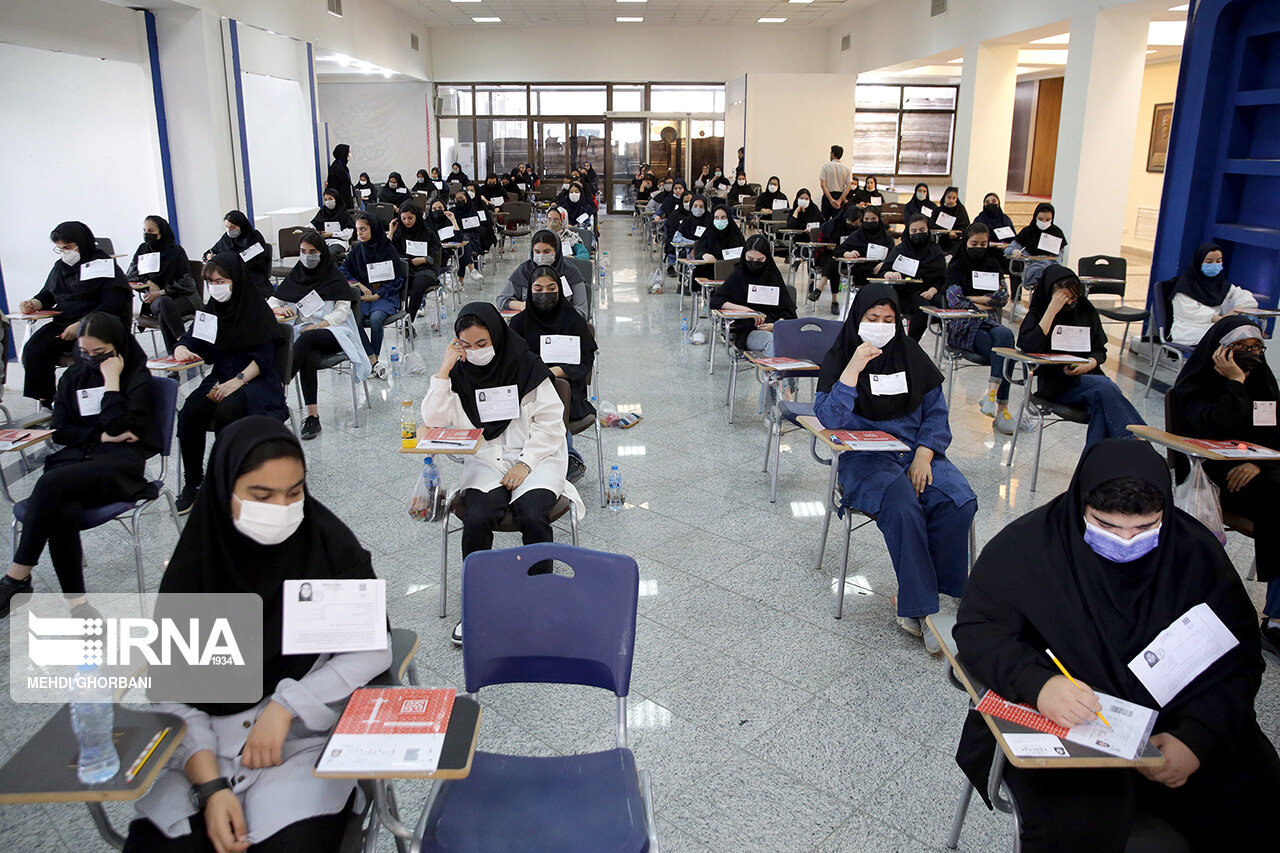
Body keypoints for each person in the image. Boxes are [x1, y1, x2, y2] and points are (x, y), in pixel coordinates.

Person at [954, 439, 1280, 853]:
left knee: (1256, 794)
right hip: (1071, 722)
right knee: (1079, 824)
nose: (1126, 542)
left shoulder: (1196, 556)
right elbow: (980, 627)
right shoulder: (1028, 548)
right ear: (1080, 508)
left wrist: (1200, 736)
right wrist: (1039, 684)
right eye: (1106, 526)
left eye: (1144, 528)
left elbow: (1239, 660)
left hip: (1178, 717)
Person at [124, 418, 392, 853]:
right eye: (261, 496)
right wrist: (210, 786)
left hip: (299, 747)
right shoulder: (196, 571)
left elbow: (370, 647)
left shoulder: (324, 545)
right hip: (205, 754)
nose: (282, 510)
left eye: (294, 493)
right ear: (223, 489)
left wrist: (286, 705)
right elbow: (174, 696)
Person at [814, 284, 977, 652]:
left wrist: (925, 453)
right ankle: (919, 609)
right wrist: (854, 368)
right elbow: (828, 418)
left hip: (916, 453)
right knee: (903, 505)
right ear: (858, 318)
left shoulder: (912, 355)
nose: (881, 325)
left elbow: (936, 414)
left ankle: (937, 591)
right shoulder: (840, 356)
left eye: (889, 320)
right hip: (865, 459)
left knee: (957, 500)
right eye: (872, 318)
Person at [422, 303, 584, 646]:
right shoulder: (459, 374)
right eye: (466, 345)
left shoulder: (526, 366)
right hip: (486, 460)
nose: (476, 352)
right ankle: (478, 604)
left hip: (537, 459)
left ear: (496, 335)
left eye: (482, 344)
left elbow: (552, 425)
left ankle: (541, 601)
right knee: (478, 516)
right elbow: (434, 420)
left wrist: (525, 464)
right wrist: (444, 369)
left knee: (533, 514)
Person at [0, 313, 159, 618]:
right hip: (76, 460)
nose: (89, 359)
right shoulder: (74, 376)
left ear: (118, 347)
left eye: (98, 353)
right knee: (63, 509)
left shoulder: (137, 378)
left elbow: (119, 428)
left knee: (49, 485)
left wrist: (111, 380)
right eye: (84, 352)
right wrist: (97, 434)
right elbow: (60, 428)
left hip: (119, 466)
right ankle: (79, 606)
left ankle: (17, 577)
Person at [1168, 316, 1280, 652]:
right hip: (1218, 476)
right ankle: (1275, 621)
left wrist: (1258, 462)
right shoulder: (1194, 385)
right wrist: (1234, 383)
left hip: (1260, 472)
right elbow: (1209, 430)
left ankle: (1276, 614)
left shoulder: (1263, 379)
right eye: (1240, 348)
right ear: (1220, 351)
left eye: (1255, 348)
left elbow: (1275, 431)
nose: (1250, 354)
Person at [172, 253, 287, 512]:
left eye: (221, 281)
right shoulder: (212, 312)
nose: (216, 287)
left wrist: (238, 381)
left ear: (235, 279)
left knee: (228, 410)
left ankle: (230, 482)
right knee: (190, 412)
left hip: (256, 380)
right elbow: (192, 339)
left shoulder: (256, 310)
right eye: (211, 282)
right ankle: (193, 483)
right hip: (222, 376)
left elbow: (265, 358)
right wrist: (181, 346)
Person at [1016, 264, 1145, 447]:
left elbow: (1100, 350)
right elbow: (1029, 346)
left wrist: (1090, 364)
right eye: (1063, 298)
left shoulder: (1085, 310)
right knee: (1106, 386)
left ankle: (1096, 464)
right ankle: (1138, 442)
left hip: (1087, 377)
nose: (1069, 303)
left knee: (1101, 408)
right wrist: (1052, 310)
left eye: (1073, 298)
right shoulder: (1039, 313)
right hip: (1056, 384)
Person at [269, 231, 370, 441]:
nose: (307, 257)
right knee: (309, 355)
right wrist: (279, 310)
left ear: (322, 253)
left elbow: (343, 312)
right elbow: (272, 301)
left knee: (307, 338)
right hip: (304, 335)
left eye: (313, 252)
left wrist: (321, 325)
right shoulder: (295, 276)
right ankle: (312, 417)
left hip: (333, 332)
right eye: (303, 252)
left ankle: (277, 389)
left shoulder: (333, 277)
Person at [22, 221, 132, 406]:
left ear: (82, 242)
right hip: (66, 323)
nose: (66, 253)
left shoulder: (104, 265)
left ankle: (87, 405)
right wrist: (34, 303)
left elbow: (112, 304)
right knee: (35, 348)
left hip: (100, 325)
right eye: (60, 249)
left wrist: (83, 324)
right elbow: (48, 293)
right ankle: (47, 400)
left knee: (83, 353)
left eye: (68, 247)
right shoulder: (61, 266)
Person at [509, 266, 598, 484]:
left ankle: (567, 457)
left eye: (551, 288)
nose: (544, 293)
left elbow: (586, 360)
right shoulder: (519, 323)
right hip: (528, 389)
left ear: (559, 290)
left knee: (556, 395)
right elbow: (511, 362)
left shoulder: (572, 320)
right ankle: (535, 460)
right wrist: (537, 375)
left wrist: (556, 372)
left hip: (567, 387)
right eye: (538, 288)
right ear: (529, 290)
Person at [943, 223, 1030, 434]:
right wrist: (984, 300)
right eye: (974, 243)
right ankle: (1001, 408)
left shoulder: (992, 265)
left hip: (989, 324)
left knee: (1006, 335)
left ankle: (992, 395)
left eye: (983, 244)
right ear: (966, 242)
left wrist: (972, 298)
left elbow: (1002, 297)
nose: (979, 247)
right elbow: (955, 301)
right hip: (963, 326)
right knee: (1006, 351)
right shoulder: (955, 267)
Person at [710, 235, 799, 413]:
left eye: (760, 260)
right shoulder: (739, 274)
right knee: (773, 344)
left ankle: (778, 392)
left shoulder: (773, 275)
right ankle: (778, 400)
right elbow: (716, 300)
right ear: (744, 256)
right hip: (750, 331)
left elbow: (789, 312)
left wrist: (776, 326)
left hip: (774, 328)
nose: (754, 264)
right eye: (750, 259)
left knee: (781, 344)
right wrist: (746, 310)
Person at [342, 212, 404, 379]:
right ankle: (373, 361)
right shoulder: (356, 250)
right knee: (354, 320)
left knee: (377, 319)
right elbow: (343, 271)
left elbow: (398, 279)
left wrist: (377, 296)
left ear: (374, 229)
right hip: (364, 295)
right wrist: (359, 284)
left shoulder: (387, 248)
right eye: (357, 229)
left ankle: (372, 359)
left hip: (385, 295)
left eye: (363, 229)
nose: (359, 233)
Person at [126, 215, 199, 355]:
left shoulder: (176, 252)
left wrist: (161, 291)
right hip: (155, 300)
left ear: (162, 232)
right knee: (164, 305)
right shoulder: (143, 250)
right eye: (145, 230)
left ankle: (175, 353)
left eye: (151, 231)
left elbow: (187, 283)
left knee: (164, 314)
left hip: (183, 297)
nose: (147, 235)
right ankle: (183, 343)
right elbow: (130, 275)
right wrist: (149, 283)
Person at [1169, 243, 1258, 345]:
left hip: (1214, 326)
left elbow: (1243, 296)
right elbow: (1190, 312)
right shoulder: (1185, 286)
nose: (1214, 265)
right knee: (1226, 336)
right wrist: (1222, 320)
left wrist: (1238, 308)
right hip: (1189, 329)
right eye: (1209, 262)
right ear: (1199, 262)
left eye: (1218, 261)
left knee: (1237, 335)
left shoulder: (1221, 284)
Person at [879, 214, 947, 340]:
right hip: (905, 293)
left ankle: (949, 343)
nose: (918, 234)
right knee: (922, 309)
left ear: (928, 230)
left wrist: (933, 290)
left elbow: (942, 277)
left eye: (922, 230)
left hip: (929, 291)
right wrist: (889, 274)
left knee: (944, 306)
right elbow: (883, 271)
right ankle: (911, 344)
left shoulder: (935, 250)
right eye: (914, 231)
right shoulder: (901, 249)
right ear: (908, 231)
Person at [816, 205, 895, 313]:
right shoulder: (857, 235)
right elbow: (838, 250)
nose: (869, 222)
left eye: (873, 219)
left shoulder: (887, 238)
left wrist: (885, 263)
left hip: (878, 271)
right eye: (866, 219)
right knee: (834, 261)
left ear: (879, 220)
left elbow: (893, 255)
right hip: (861, 270)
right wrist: (847, 253)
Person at [497, 231, 589, 319]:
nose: (541, 256)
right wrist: (521, 305)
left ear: (556, 251)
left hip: (564, 327)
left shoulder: (571, 273)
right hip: (531, 325)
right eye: (537, 252)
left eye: (547, 251)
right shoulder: (524, 271)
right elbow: (501, 301)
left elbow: (581, 311)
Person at [388, 201, 442, 324]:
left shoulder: (427, 232)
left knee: (418, 284)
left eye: (410, 218)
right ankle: (401, 316)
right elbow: (386, 250)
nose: (407, 221)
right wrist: (391, 231)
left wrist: (424, 259)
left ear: (416, 216)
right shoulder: (398, 233)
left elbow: (436, 252)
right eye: (404, 218)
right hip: (406, 269)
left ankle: (408, 320)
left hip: (425, 269)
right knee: (398, 284)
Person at [203, 211, 272, 297]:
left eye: (232, 227)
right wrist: (209, 255)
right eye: (227, 227)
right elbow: (212, 251)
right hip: (231, 275)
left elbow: (253, 261)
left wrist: (228, 262)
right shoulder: (226, 238)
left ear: (241, 226)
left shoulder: (254, 237)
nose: (229, 230)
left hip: (252, 275)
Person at [1006, 202, 1068, 292]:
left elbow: (1060, 256)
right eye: (1040, 219)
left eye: (1048, 220)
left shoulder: (1056, 233)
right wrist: (1014, 251)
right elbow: (1008, 249)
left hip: (1051, 266)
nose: (1044, 222)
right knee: (1045, 274)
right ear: (1035, 217)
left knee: (1061, 275)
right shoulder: (1027, 232)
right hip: (1031, 266)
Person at [309, 187, 355, 262]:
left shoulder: (344, 214)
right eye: (326, 200)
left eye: (330, 199)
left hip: (339, 242)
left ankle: (333, 273)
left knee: (330, 254)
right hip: (323, 242)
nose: (328, 202)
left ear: (336, 199)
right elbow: (312, 225)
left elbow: (348, 234)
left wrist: (332, 234)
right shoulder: (322, 213)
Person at [934, 186, 970, 255]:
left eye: (954, 198)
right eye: (949, 197)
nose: (951, 200)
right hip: (940, 239)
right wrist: (947, 232)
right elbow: (932, 225)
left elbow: (965, 227)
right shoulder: (938, 211)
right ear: (944, 197)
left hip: (956, 240)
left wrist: (957, 233)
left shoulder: (960, 211)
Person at [819, 145, 852, 219]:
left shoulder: (826, 167)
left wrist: (831, 200)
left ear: (832, 154)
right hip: (840, 196)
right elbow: (848, 186)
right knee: (838, 222)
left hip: (828, 196)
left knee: (825, 220)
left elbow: (823, 184)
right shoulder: (846, 169)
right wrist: (839, 200)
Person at [325, 144, 353, 210]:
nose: (349, 154)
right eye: (348, 152)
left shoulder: (343, 167)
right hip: (340, 203)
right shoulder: (336, 168)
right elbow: (332, 187)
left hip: (346, 200)